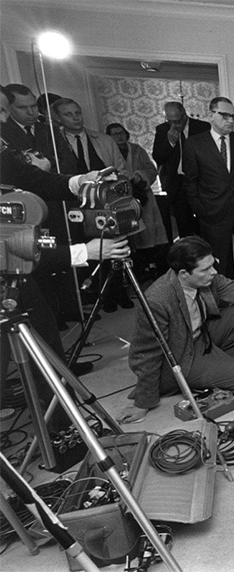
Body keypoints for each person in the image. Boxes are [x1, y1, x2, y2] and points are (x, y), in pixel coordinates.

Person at [0, 86, 129, 428]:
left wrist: (78, 182)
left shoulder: (17, 146)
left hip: (19, 265)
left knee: (46, 341)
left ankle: (61, 426)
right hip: (12, 261)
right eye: (2, 112)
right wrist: (85, 252)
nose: (4, 120)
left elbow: (33, 179)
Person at [116, 236, 234, 424]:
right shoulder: (157, 299)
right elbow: (146, 352)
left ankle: (223, 367)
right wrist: (142, 403)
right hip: (182, 357)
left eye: (213, 265)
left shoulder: (206, 278)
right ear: (183, 274)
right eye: (205, 269)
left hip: (201, 337)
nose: (213, 272)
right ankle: (219, 373)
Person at [183, 97, 234, 282]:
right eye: (225, 115)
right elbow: (190, 182)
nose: (230, 120)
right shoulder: (195, 144)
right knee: (217, 263)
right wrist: (201, 211)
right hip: (213, 214)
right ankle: (222, 305)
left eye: (233, 116)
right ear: (211, 115)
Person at [106, 122, 169, 281]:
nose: (119, 136)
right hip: (121, 198)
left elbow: (151, 169)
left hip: (143, 195)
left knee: (149, 233)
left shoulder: (137, 150)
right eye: (114, 134)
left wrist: (140, 176)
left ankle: (153, 269)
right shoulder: (108, 152)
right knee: (129, 234)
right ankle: (135, 272)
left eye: (121, 132)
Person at [152, 101, 211, 240]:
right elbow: (158, 157)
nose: (174, 125)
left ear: (184, 115)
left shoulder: (202, 127)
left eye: (177, 121)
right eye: (169, 121)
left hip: (200, 183)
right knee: (183, 224)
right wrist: (170, 143)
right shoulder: (162, 130)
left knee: (204, 223)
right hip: (177, 184)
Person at [0, 84, 48, 158]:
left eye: (33, 106)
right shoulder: (3, 132)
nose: (31, 112)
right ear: (10, 108)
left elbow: (68, 164)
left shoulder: (50, 130)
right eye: (22, 107)